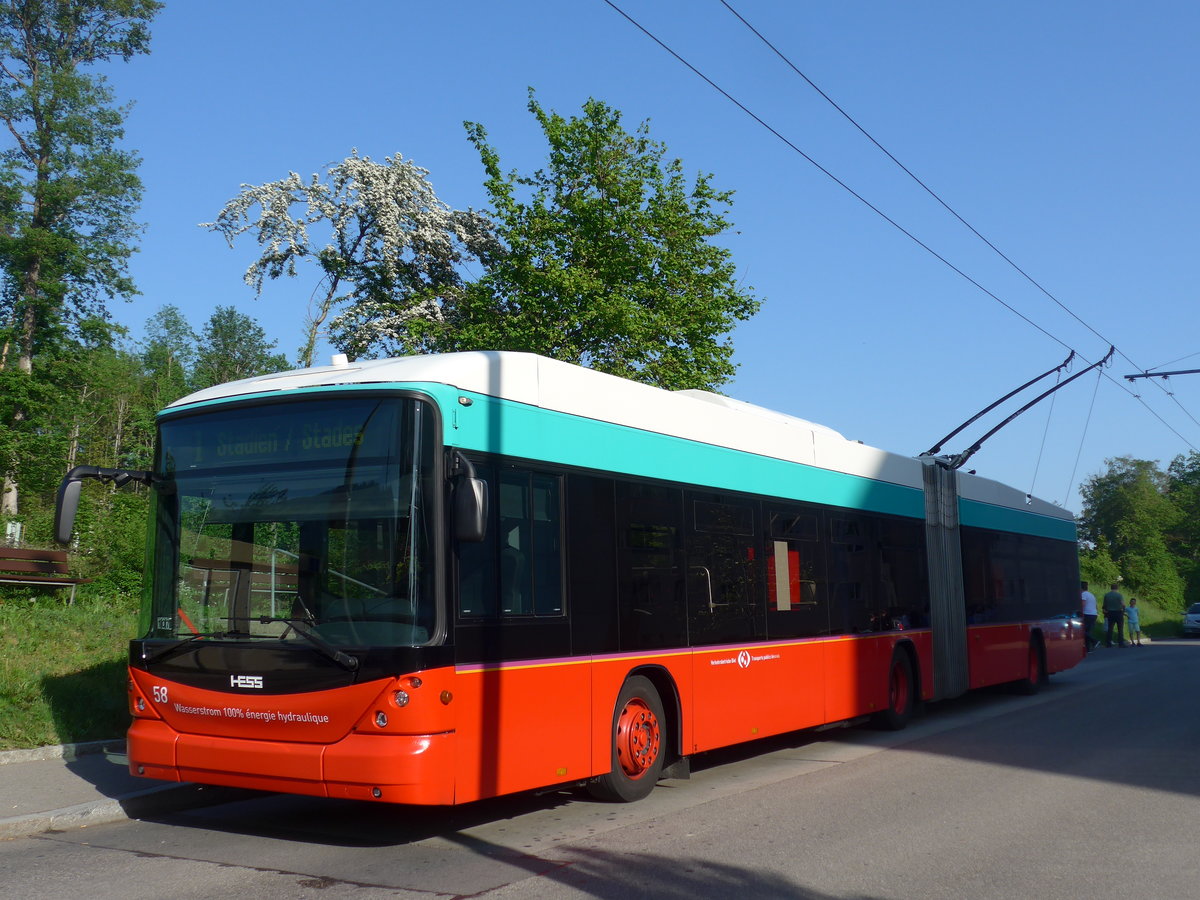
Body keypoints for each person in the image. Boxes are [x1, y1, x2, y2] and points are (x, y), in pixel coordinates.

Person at [1102, 582, 1127, 647]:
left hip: (1110, 613)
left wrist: (1105, 611)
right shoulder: (1119, 595)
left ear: (1111, 588)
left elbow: (1104, 605)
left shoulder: (1107, 595)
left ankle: (1108, 643)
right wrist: (1123, 611)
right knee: (1120, 629)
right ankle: (1121, 643)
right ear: (1117, 588)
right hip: (1118, 613)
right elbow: (1123, 604)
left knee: (1110, 628)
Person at [1080, 581, 1098, 652]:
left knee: (1082, 631)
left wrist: (1079, 612)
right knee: (1088, 631)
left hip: (1087, 614)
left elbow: (1083, 604)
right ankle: (1088, 648)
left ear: (1080, 588)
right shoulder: (1091, 594)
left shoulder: (1083, 594)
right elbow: (1096, 606)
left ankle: (1094, 641)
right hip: (1093, 614)